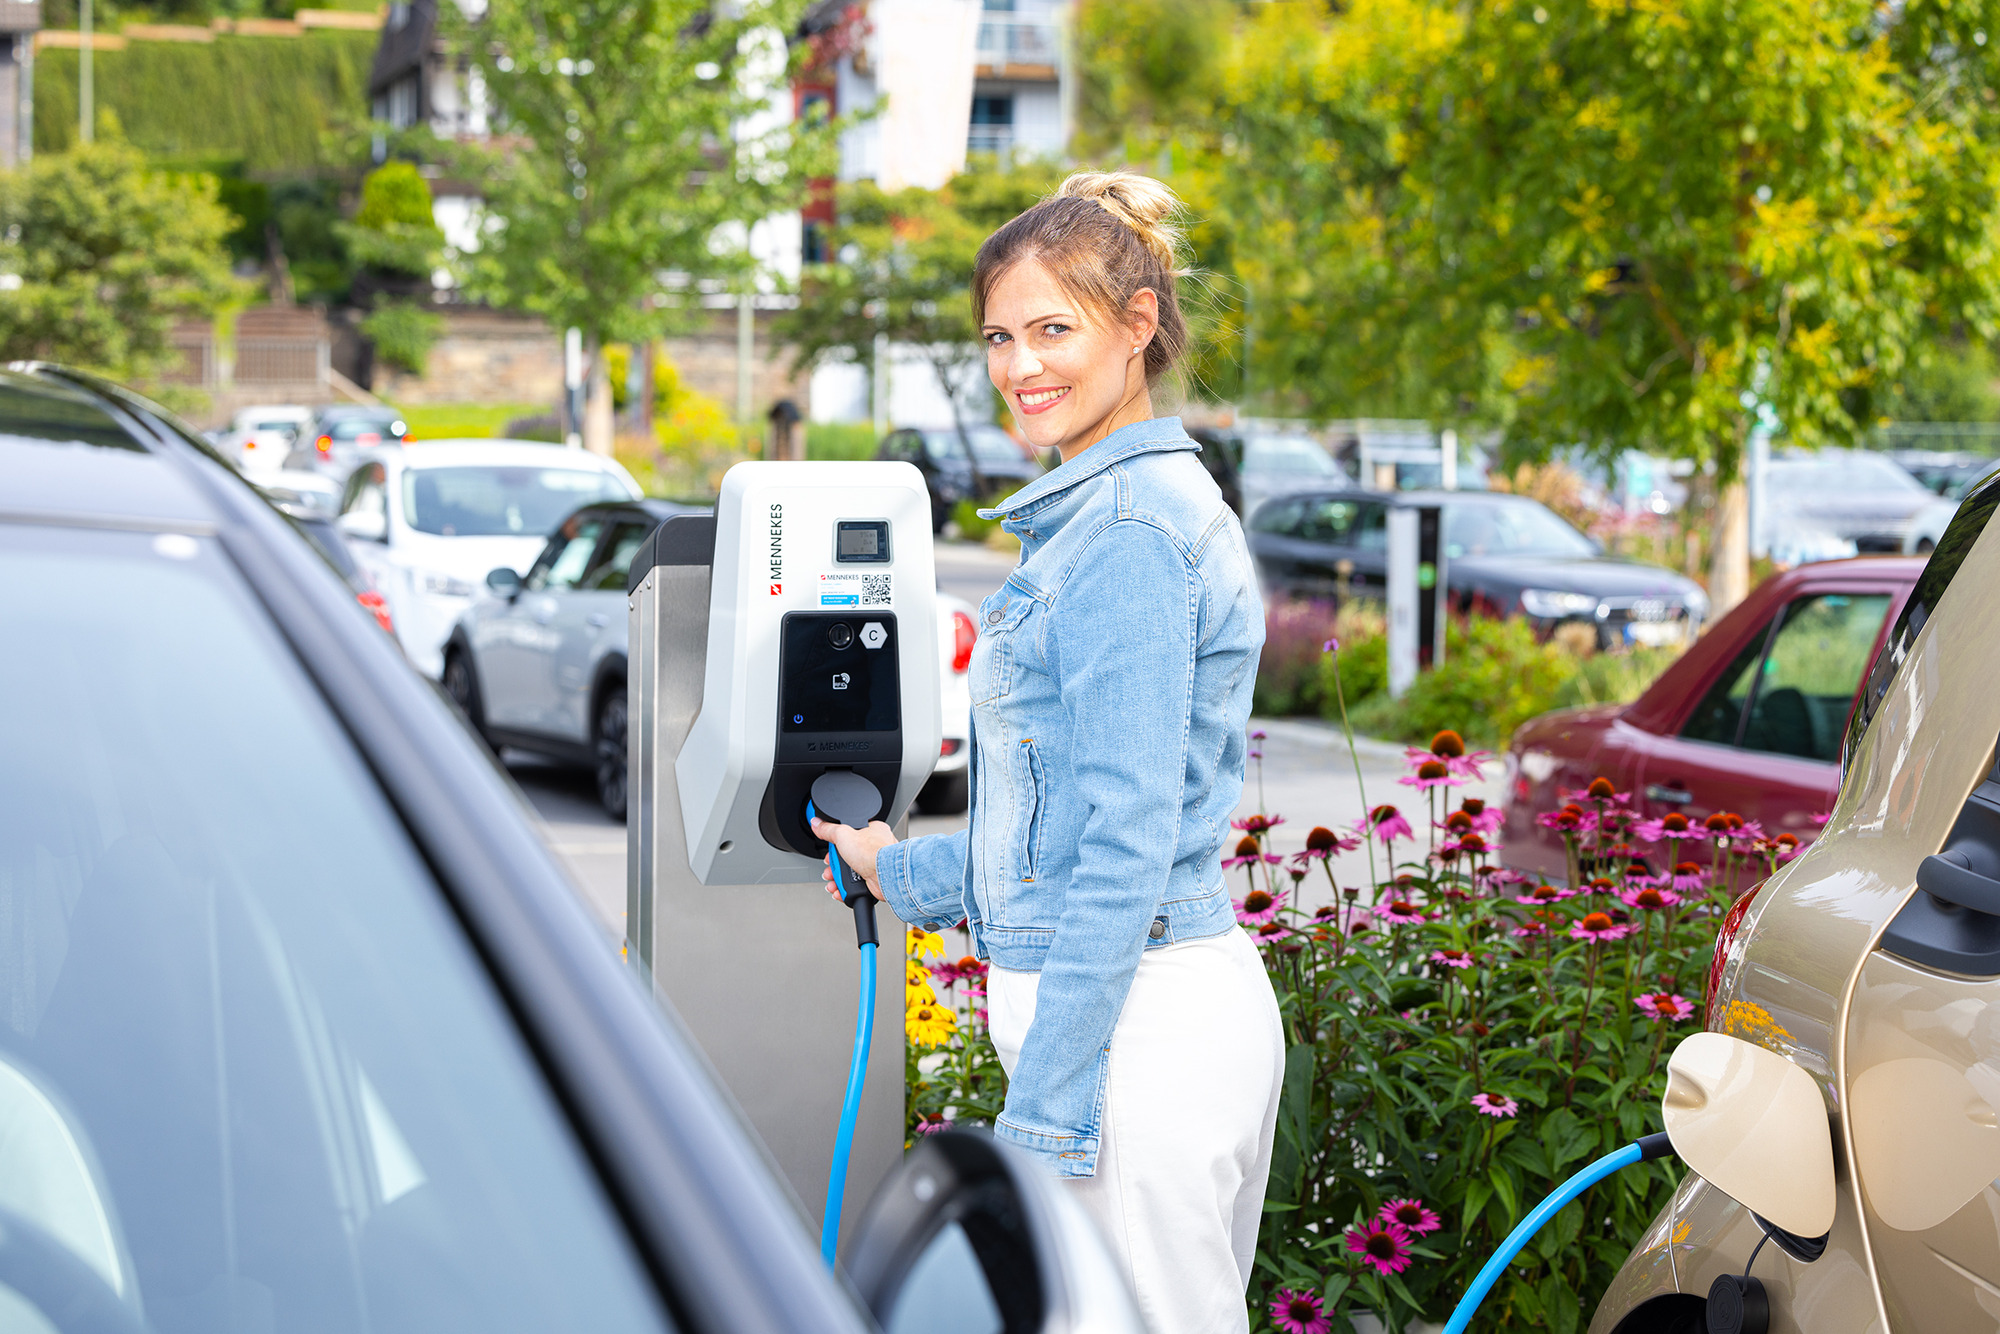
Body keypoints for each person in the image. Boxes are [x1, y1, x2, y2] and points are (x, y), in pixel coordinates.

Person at [812, 170, 1282, 1334]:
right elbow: (1059, 827)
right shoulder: (1116, 513)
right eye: (998, 336)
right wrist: (895, 869)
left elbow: (1120, 848)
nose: (1019, 365)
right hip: (1145, 1018)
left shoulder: (1123, 535)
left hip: (1139, 1042)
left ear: (1137, 323)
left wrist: (1047, 1109)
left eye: (1052, 329)